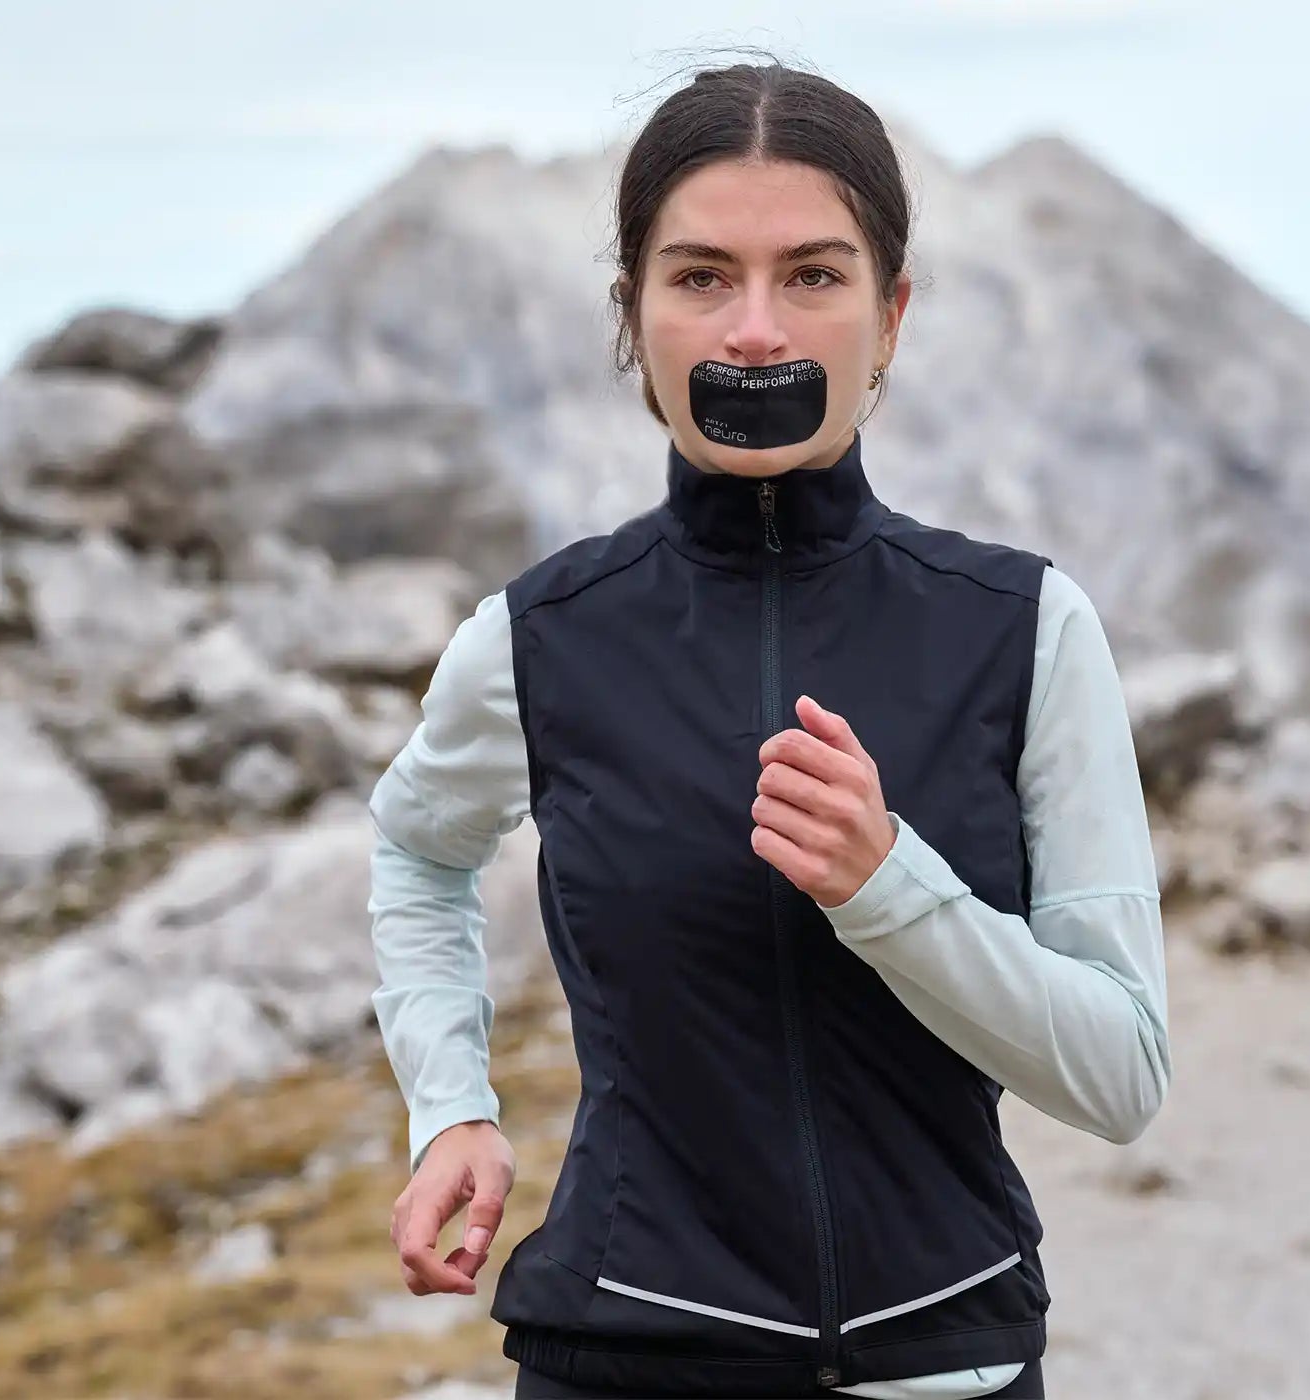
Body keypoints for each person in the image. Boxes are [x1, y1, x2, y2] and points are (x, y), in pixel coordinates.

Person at [367, 58, 1170, 1400]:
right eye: (697, 278)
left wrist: (891, 888)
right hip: (623, 1347)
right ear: (635, 317)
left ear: (891, 314)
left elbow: (1122, 1076)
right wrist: (449, 1100)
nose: (753, 330)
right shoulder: (540, 637)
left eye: (812, 274)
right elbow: (415, 851)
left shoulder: (1024, 628)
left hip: (946, 1353)